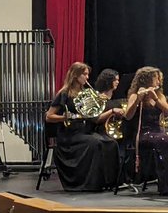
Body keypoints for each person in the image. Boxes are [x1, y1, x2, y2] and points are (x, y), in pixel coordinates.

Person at [43, 62, 121, 191]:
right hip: (70, 135)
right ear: (75, 75)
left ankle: (108, 182)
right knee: (95, 143)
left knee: (110, 143)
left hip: (85, 131)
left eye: (87, 74)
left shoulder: (87, 93)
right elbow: (49, 116)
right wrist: (65, 117)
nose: (87, 77)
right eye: (84, 74)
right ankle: (90, 183)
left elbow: (94, 116)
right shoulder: (64, 94)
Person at [123, 67, 168, 196]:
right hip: (143, 134)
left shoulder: (158, 95)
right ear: (147, 80)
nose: (159, 81)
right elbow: (128, 116)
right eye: (156, 78)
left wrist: (155, 99)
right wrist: (138, 99)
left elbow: (166, 112)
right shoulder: (135, 95)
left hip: (157, 132)